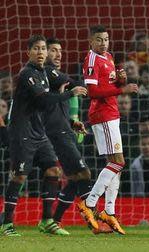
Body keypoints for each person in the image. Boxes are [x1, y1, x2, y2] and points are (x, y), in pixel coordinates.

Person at [0, 35, 87, 236]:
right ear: (28, 52)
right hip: (21, 132)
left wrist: (92, 86)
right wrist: (70, 93)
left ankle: (47, 221)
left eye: (43, 49)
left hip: (39, 132)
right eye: (36, 49)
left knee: (53, 171)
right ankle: (7, 224)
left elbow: (70, 81)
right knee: (20, 175)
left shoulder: (46, 72)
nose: (40, 53)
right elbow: (44, 101)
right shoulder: (26, 74)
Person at [77, 25, 139, 235]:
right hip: (102, 115)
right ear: (90, 42)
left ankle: (109, 212)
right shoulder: (91, 60)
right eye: (99, 40)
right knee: (118, 162)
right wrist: (122, 89)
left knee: (115, 164)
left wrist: (120, 79)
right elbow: (92, 91)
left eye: (106, 39)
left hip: (111, 114)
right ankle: (90, 202)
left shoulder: (109, 57)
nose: (103, 43)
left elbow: (109, 83)